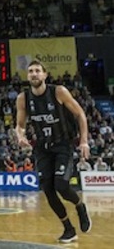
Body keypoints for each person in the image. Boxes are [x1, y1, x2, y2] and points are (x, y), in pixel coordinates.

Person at [15, 60, 92, 244]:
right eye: (31, 71)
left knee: (62, 186)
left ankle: (80, 206)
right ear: (28, 76)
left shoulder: (58, 91)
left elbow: (80, 114)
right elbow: (19, 125)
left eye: (37, 71)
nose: (34, 74)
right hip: (42, 148)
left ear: (45, 74)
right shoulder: (23, 98)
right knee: (48, 190)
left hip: (62, 145)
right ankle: (68, 229)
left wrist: (84, 141)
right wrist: (20, 136)